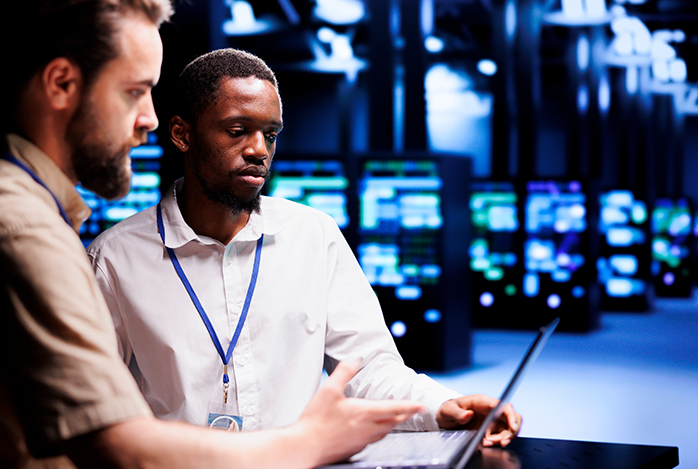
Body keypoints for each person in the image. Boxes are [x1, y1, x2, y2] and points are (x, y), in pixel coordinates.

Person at [0, 3, 426, 469]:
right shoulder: (21, 229)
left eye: (270, 134)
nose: (148, 120)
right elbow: (123, 451)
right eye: (134, 91)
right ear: (61, 84)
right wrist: (308, 443)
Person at [87, 48, 522, 445]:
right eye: (237, 131)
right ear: (182, 134)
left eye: (270, 135)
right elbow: (94, 405)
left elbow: (367, 367)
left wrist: (444, 406)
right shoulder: (115, 259)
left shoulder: (315, 236)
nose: (258, 150)